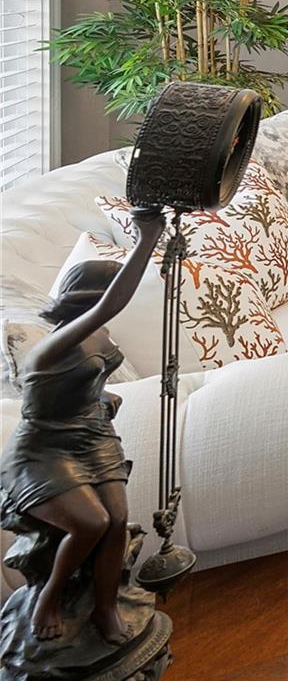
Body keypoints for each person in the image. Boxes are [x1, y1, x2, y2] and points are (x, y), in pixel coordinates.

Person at [0, 210, 163, 643]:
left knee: (117, 519)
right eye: (107, 296)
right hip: (44, 449)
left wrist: (99, 394)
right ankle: (48, 598)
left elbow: (84, 378)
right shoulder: (52, 346)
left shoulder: (99, 337)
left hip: (90, 433)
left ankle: (105, 608)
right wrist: (148, 239)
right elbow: (115, 301)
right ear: (90, 300)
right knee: (90, 522)